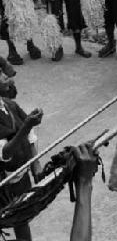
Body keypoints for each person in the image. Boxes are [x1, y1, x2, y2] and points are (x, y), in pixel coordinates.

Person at [0, 73, 43, 241]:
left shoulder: (9, 104)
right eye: (0, 74)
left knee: (21, 219)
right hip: (4, 182)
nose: (5, 76)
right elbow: (4, 153)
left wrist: (35, 164)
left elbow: (30, 133)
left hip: (19, 177)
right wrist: (26, 126)